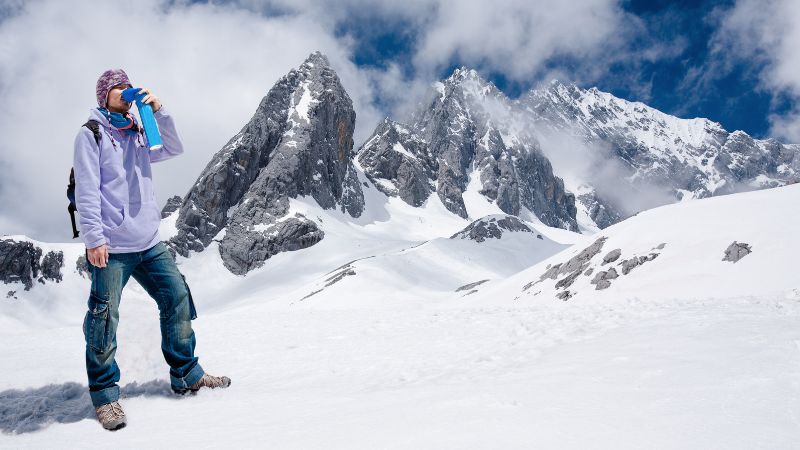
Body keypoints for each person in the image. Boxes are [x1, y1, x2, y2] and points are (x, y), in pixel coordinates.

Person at [73, 69, 230, 431]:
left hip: (148, 241)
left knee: (176, 296)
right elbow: (86, 186)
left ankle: (187, 375)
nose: (123, 90)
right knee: (103, 317)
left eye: (126, 85)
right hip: (112, 245)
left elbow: (173, 148)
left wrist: (158, 111)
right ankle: (105, 396)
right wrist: (94, 238)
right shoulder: (91, 134)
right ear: (103, 95)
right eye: (116, 87)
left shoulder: (139, 129)